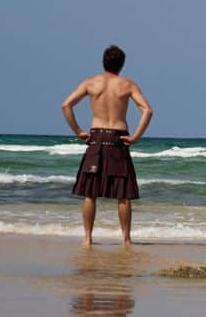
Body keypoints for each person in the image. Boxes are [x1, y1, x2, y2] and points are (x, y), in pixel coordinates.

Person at [62, 45, 153, 246]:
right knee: (122, 194)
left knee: (90, 192)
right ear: (122, 65)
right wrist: (136, 136)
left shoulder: (90, 83)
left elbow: (66, 105)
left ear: (103, 62)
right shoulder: (127, 84)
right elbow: (147, 110)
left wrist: (78, 131)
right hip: (117, 138)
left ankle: (87, 238)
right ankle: (126, 239)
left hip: (96, 137)